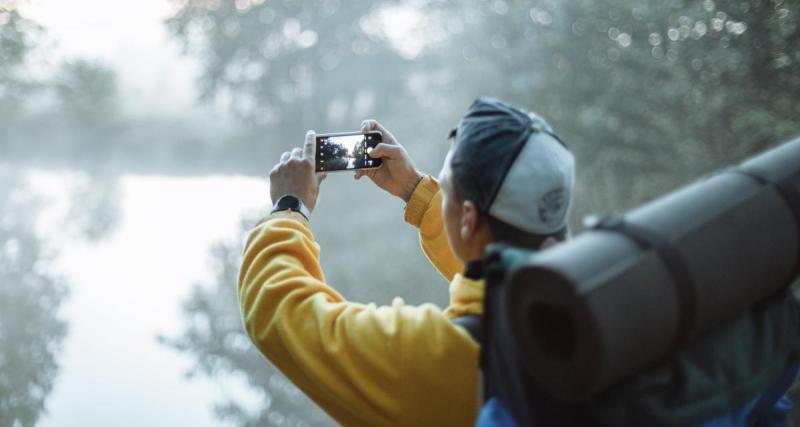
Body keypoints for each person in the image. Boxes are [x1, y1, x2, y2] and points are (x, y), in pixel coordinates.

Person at [237, 97, 575, 425]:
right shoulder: (589, 294)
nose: (443, 198)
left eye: (447, 190)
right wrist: (415, 190)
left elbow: (280, 311)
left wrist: (289, 206)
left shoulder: (438, 359)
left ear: (469, 219)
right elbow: (489, 265)